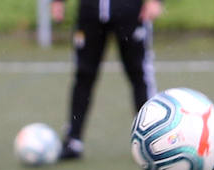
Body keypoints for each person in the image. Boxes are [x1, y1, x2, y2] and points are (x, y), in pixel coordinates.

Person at [51, 0, 164, 160]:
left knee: (138, 73)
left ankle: (152, 140)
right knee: (84, 74)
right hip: (90, 13)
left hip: (129, 11)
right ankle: (73, 140)